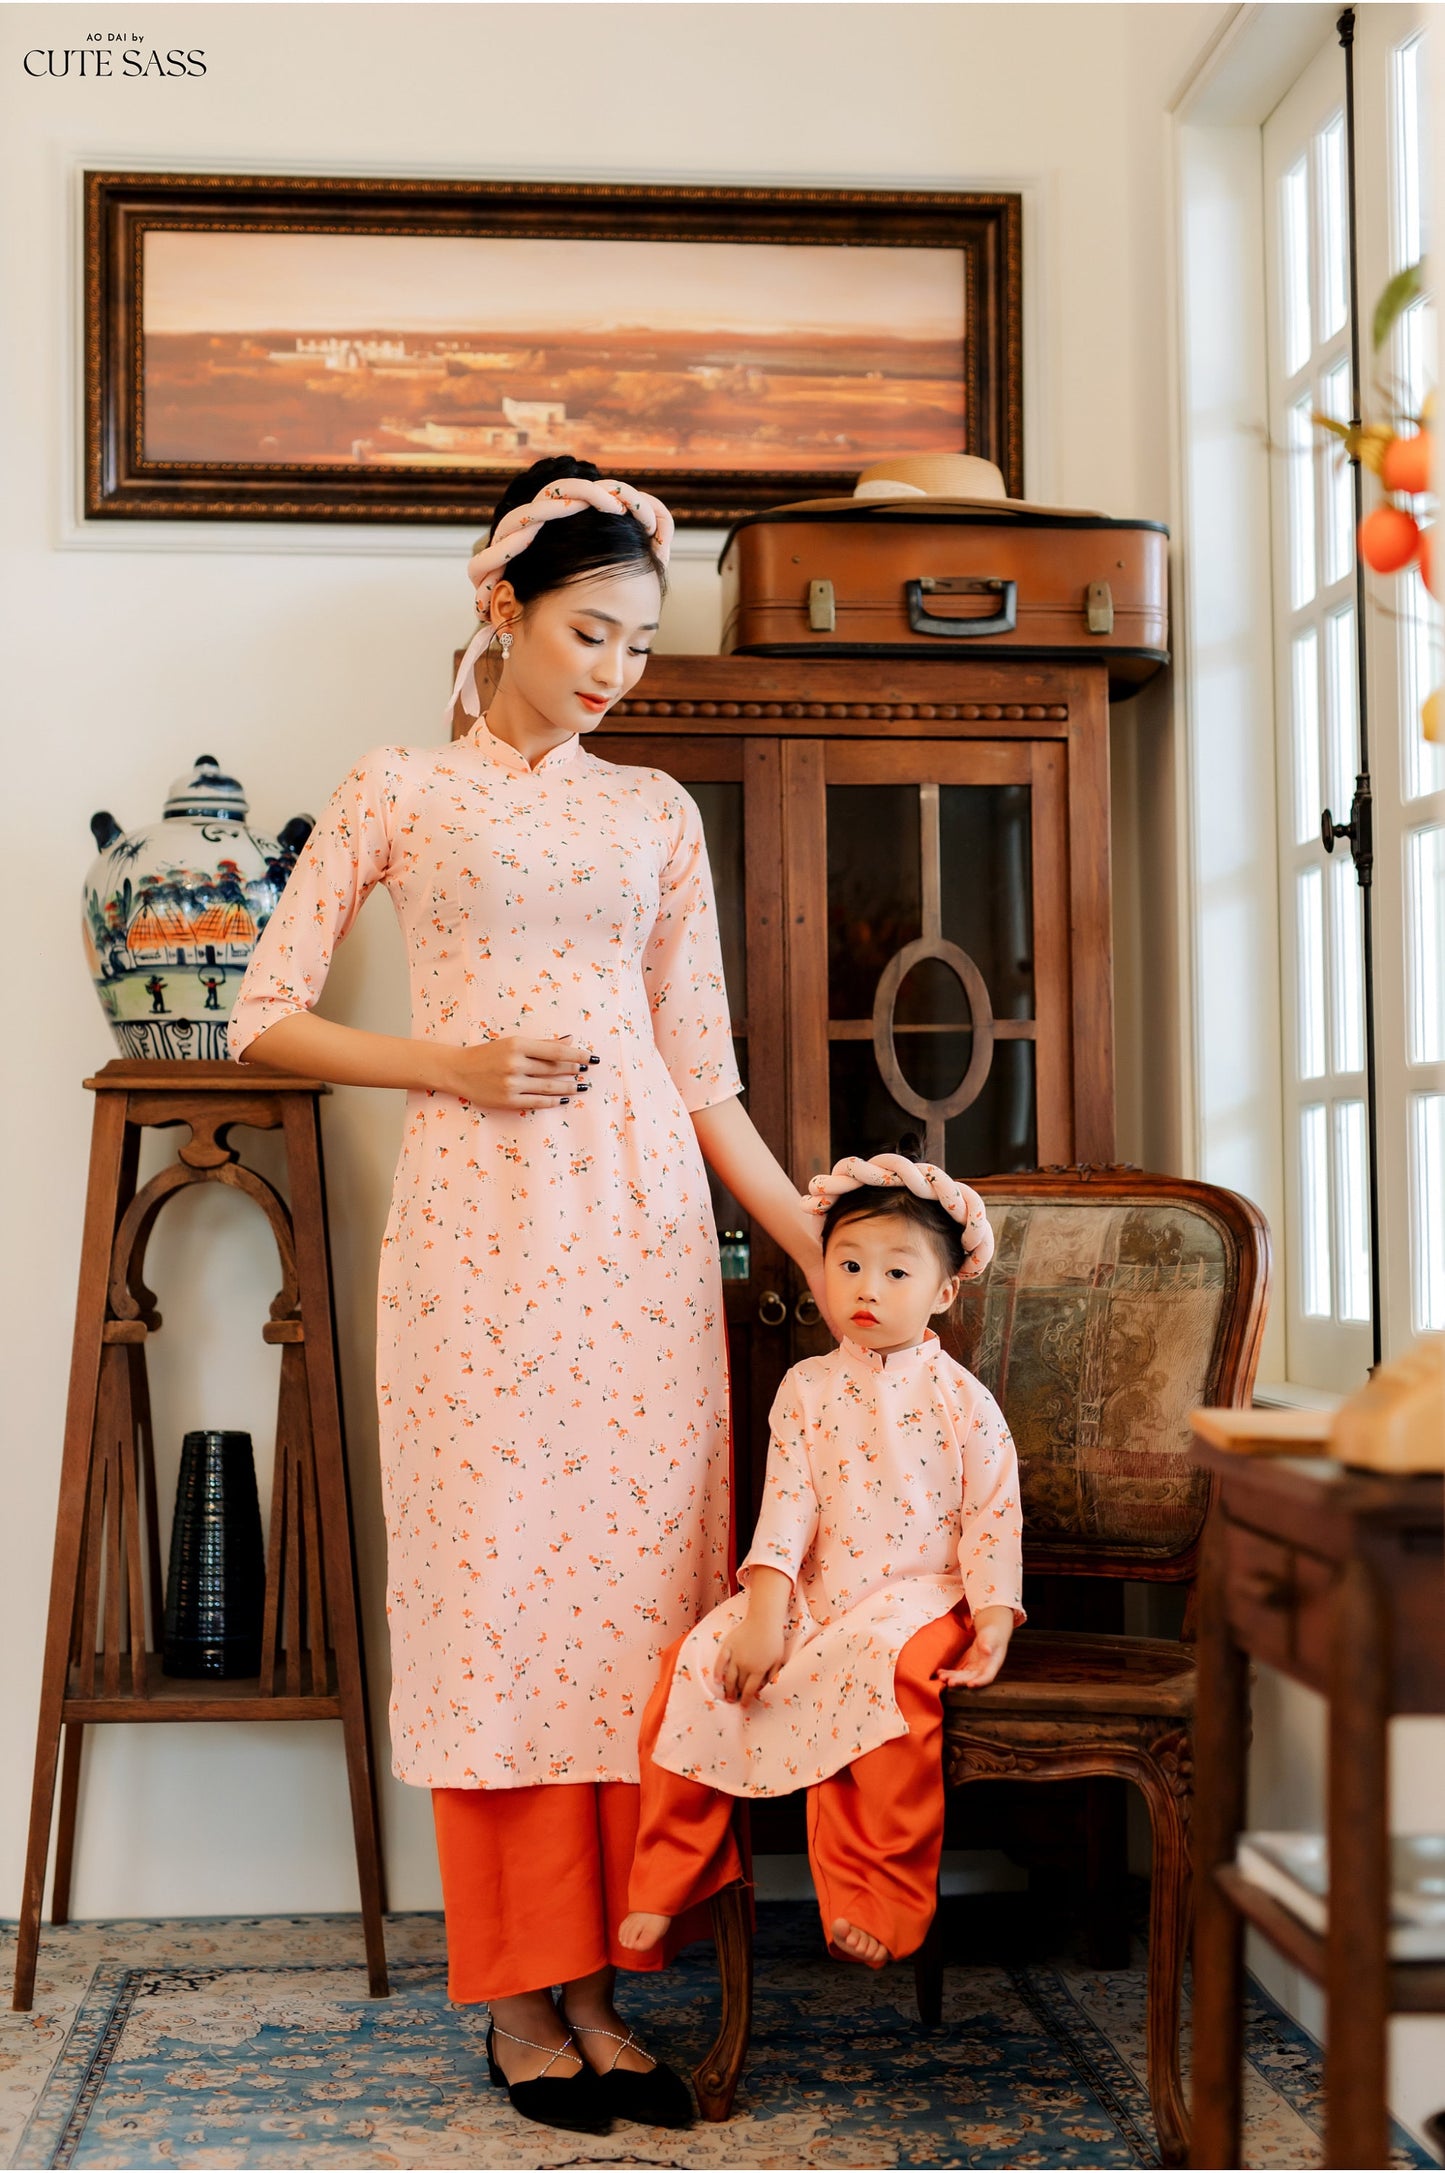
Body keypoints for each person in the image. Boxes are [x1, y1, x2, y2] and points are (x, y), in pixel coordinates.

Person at [227, 455, 829, 2137]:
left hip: (642, 1242)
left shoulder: (657, 813)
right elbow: (263, 1015)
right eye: (590, 631)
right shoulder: (398, 787)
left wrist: (808, 1244)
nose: (615, 671)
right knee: (498, 1602)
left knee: (637, 1601)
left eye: (639, 644)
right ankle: (517, 1994)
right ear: (500, 607)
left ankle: (604, 1990)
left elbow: (703, 1069)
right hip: (479, 1240)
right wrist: (459, 1064)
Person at [620, 1152, 1024, 1972]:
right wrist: (764, 1614)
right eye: (848, 1265)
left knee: (883, 1685)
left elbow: (993, 1518)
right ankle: (670, 1871)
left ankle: (877, 1895)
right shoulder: (805, 1387)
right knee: (692, 1663)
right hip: (811, 1589)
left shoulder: (962, 1401)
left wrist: (990, 1620)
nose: (866, 1288)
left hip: (915, 1597)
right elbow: (786, 1509)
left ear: (943, 1292)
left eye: (895, 1270)